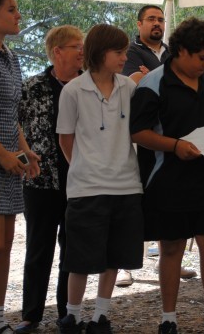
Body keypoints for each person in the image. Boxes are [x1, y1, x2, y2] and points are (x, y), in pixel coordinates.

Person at [130, 17, 204, 334]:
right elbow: (137, 132)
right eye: (201, 58)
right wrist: (175, 146)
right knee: (172, 247)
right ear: (180, 51)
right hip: (168, 180)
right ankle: (168, 319)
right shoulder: (153, 83)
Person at [56, 24, 144, 334]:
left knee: (114, 256)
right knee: (79, 258)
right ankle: (72, 315)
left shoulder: (129, 88)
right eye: (119, 52)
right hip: (86, 188)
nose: (124, 57)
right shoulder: (73, 90)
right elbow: (65, 139)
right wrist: (84, 166)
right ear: (100, 52)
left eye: (125, 51)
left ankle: (101, 315)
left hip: (127, 186)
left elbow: (139, 131)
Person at [118, 4, 195, 287]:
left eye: (161, 19)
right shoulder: (129, 51)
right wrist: (157, 74)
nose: (157, 24)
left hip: (172, 136)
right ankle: (127, 265)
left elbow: (180, 83)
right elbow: (133, 84)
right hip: (141, 138)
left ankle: (171, 262)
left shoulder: (173, 53)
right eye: (151, 19)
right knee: (138, 201)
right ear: (138, 24)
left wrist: (152, 72)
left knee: (168, 202)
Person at [15, 25, 84, 334]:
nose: (82, 51)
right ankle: (31, 316)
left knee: (73, 250)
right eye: (76, 46)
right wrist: (22, 157)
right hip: (40, 183)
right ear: (58, 52)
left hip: (80, 180)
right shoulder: (31, 87)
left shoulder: (88, 87)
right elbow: (11, 127)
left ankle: (67, 315)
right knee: (39, 249)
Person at [0, 0, 41, 334]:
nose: (19, 14)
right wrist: (1, 153)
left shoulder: (11, 57)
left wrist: (24, 150)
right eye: (11, 9)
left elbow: (12, 114)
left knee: (5, 245)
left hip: (8, 160)